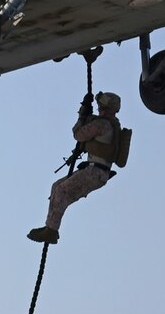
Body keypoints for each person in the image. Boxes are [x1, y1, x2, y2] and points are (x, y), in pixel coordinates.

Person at [28, 91, 124, 244]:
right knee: (56, 187)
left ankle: (51, 230)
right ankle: (49, 227)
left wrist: (82, 115)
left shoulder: (102, 124)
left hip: (94, 172)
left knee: (61, 191)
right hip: (96, 172)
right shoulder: (111, 125)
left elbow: (78, 134)